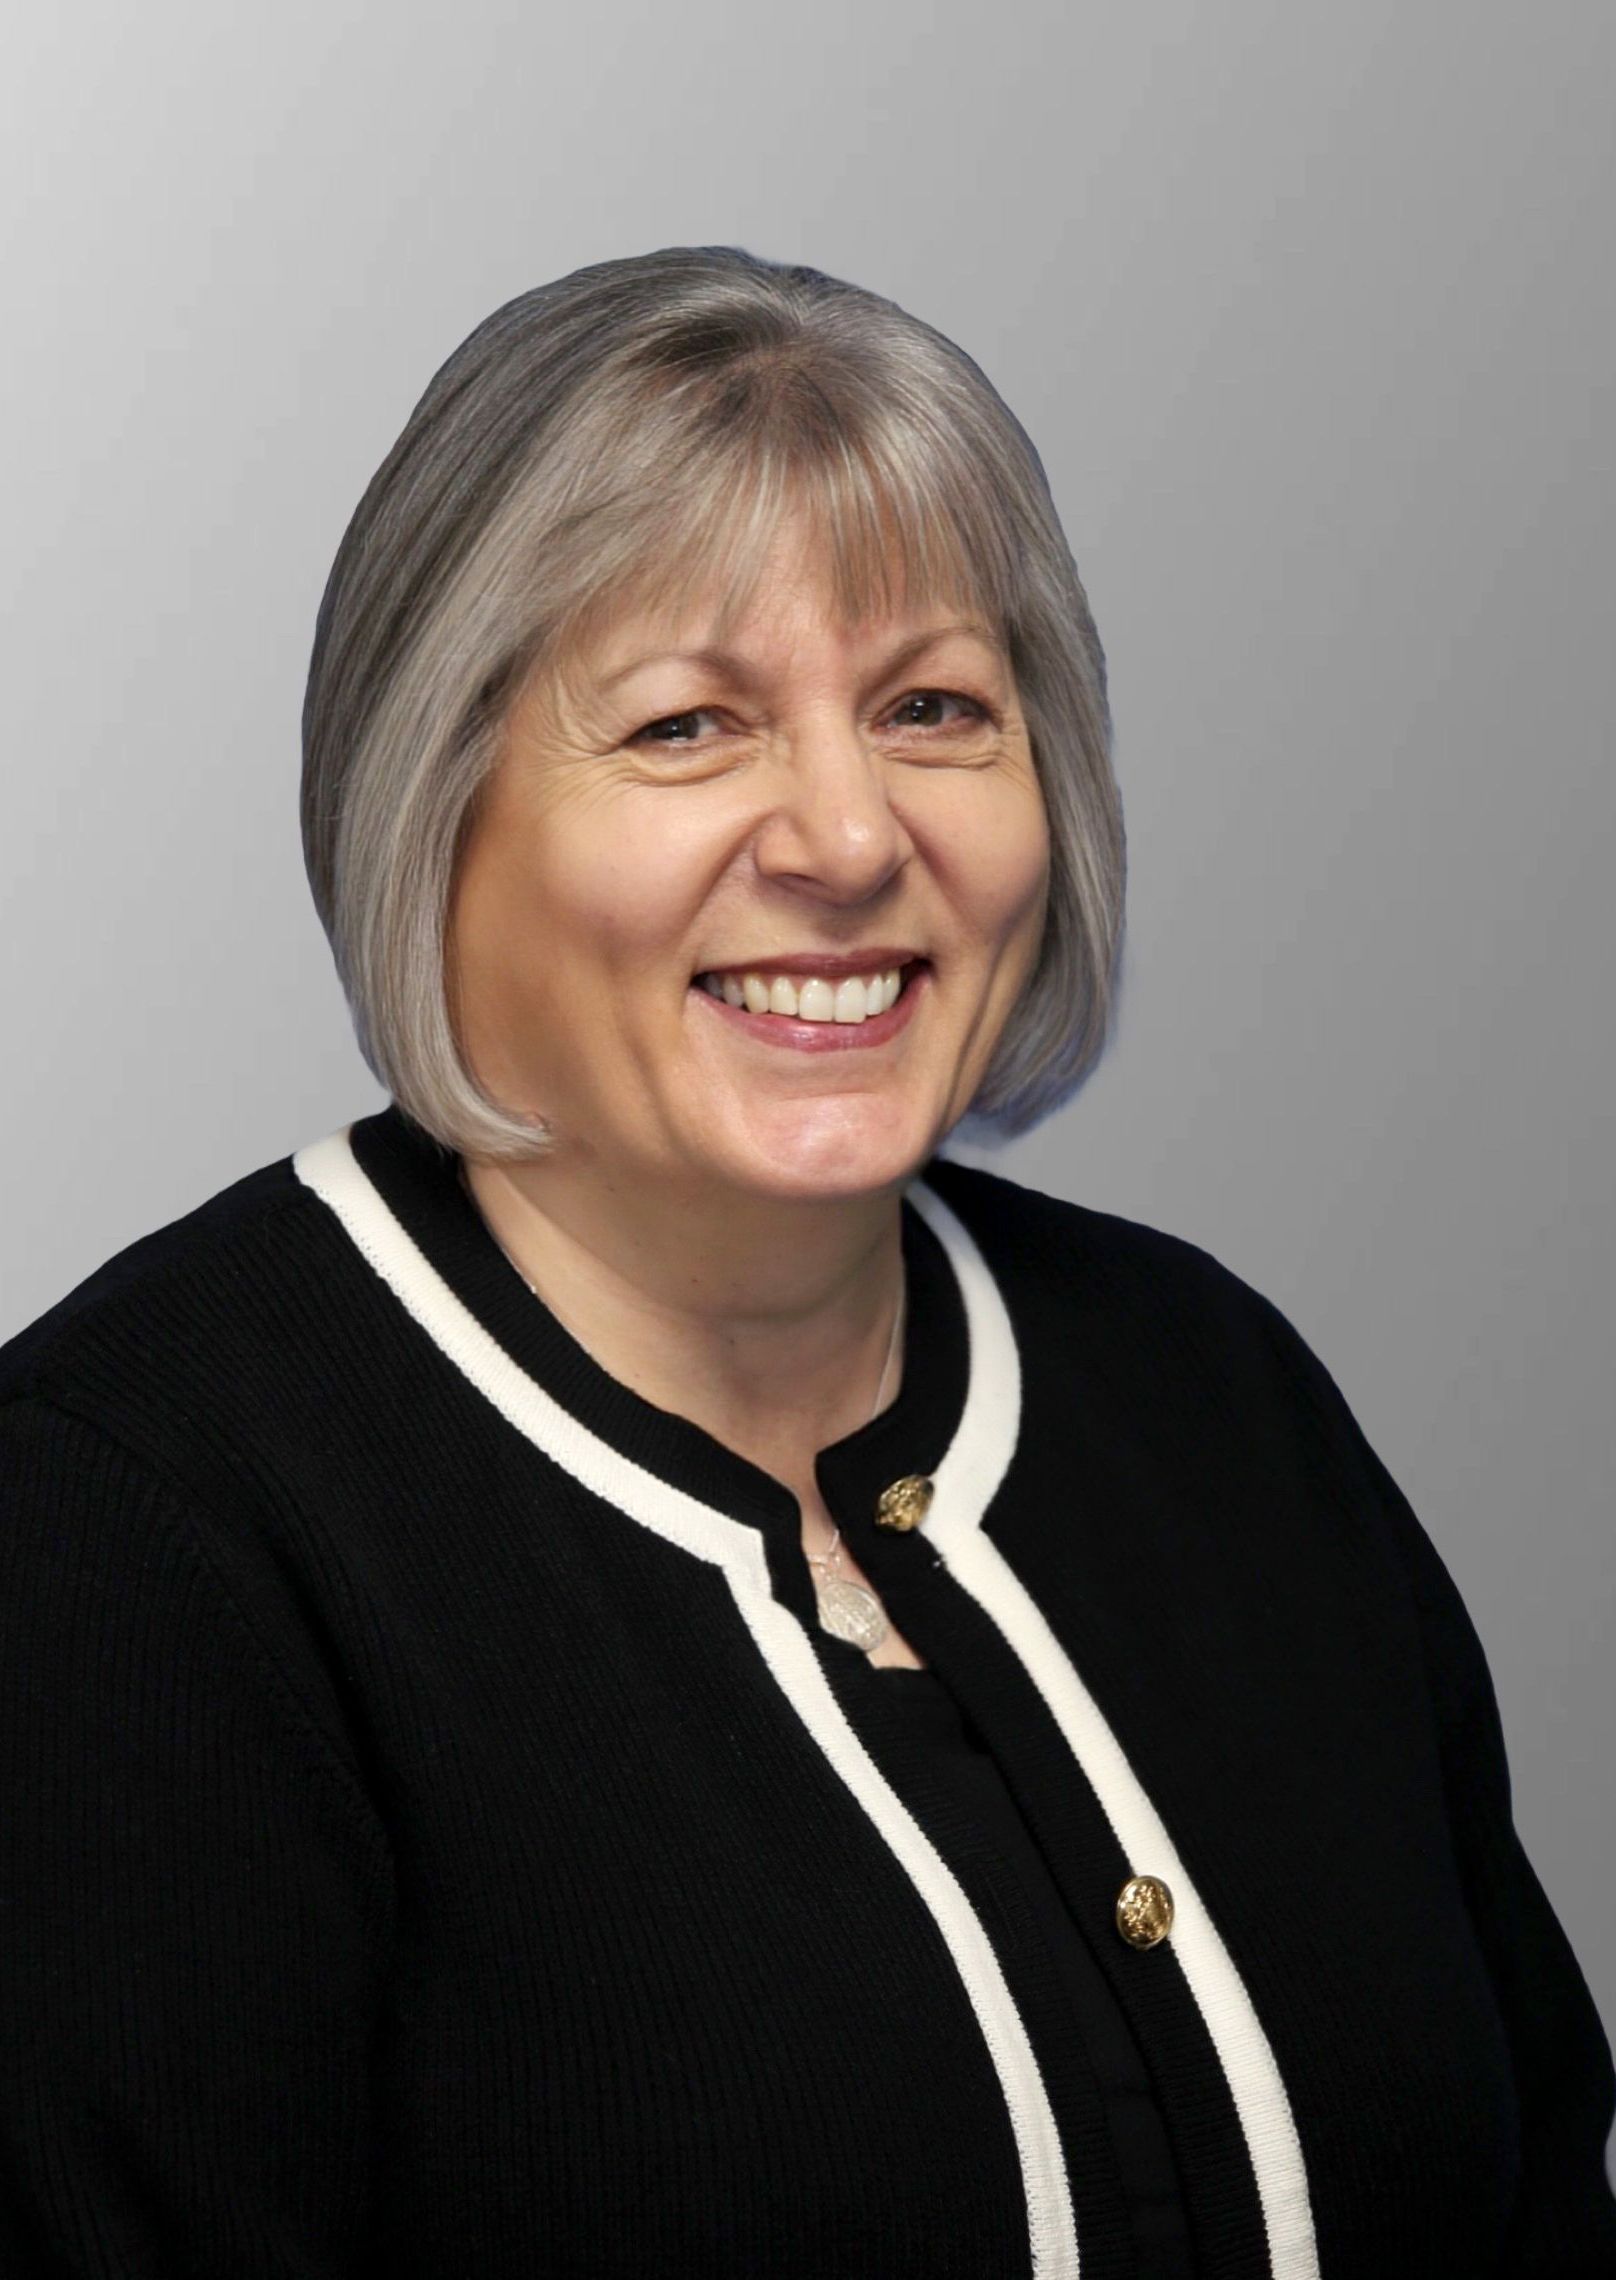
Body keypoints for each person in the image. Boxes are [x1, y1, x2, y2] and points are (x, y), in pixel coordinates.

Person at [1, 244, 1611, 2280]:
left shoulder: (1215, 1396)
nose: (847, 840)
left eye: (935, 708)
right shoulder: (123, 1534)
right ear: (430, 804)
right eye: (687, 726)